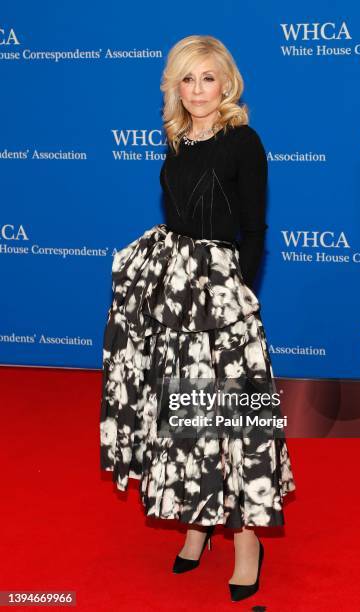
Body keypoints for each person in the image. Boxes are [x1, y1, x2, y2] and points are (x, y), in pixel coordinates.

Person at [100, 34, 296, 603]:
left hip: (222, 296)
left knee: (238, 414)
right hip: (176, 294)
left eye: (208, 78)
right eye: (188, 79)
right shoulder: (178, 142)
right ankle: (197, 518)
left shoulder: (244, 142)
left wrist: (239, 295)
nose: (198, 89)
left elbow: (254, 231)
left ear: (226, 83)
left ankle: (244, 539)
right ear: (175, 87)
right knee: (185, 406)